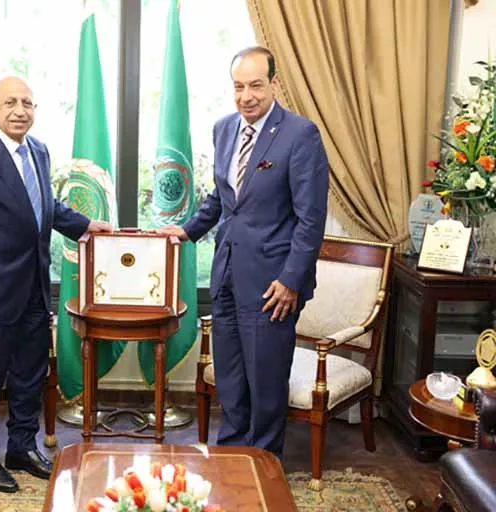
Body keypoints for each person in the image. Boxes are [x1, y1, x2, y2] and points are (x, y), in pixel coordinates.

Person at [0, 76, 112, 493]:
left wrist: (86, 225)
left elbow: (43, 207)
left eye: (27, 103)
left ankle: (22, 446)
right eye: (10, 103)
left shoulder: (39, 150)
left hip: (35, 288)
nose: (20, 111)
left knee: (29, 375)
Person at [158, 47, 329, 459]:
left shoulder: (300, 134)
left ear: (274, 84)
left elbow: (311, 219)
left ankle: (264, 465)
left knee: (266, 383)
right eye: (238, 86)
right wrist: (187, 230)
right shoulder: (224, 129)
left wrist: (291, 280)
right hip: (228, 276)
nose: (246, 96)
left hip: (273, 285)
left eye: (255, 85)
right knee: (231, 380)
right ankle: (233, 461)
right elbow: (221, 198)